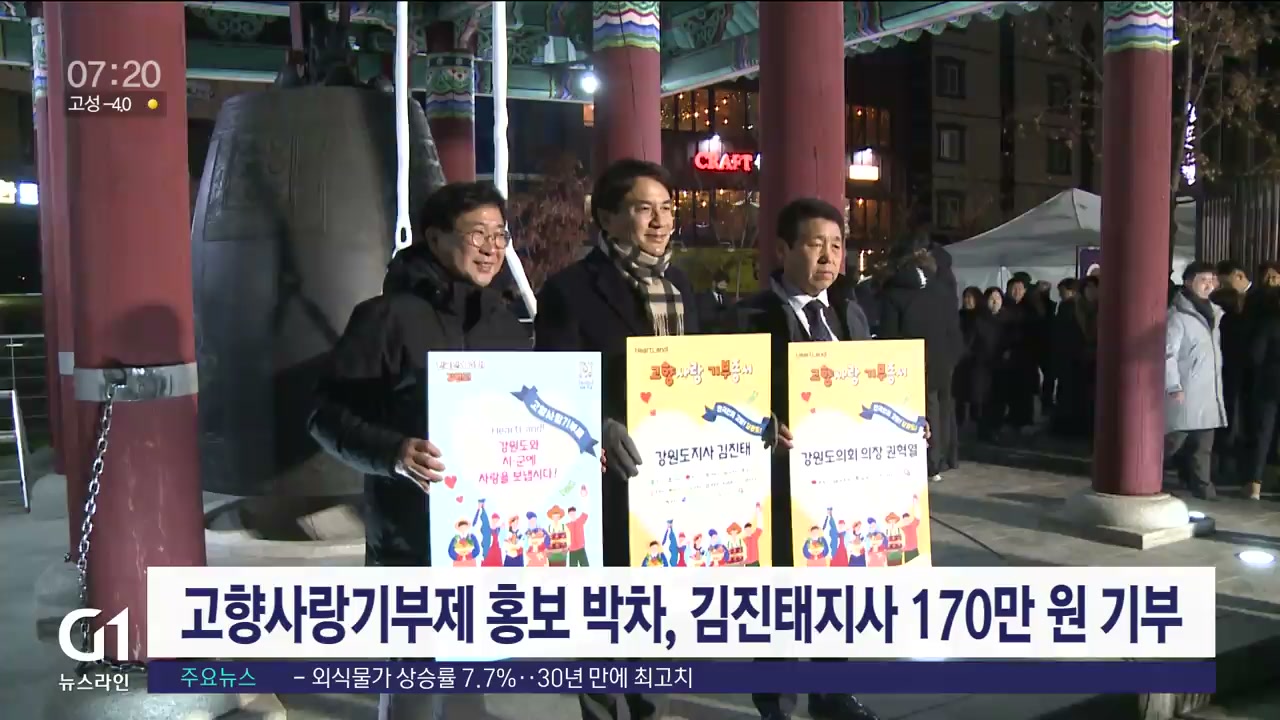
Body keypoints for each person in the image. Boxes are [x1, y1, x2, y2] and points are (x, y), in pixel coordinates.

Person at [307, 181, 530, 720]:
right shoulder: (385, 317)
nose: (492, 248)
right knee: (414, 680)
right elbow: (324, 416)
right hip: (411, 535)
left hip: (488, 536)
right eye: (477, 234)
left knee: (474, 671)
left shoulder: (504, 321)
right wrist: (393, 452)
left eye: (500, 235)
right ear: (434, 238)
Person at [534, 158, 697, 720]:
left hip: (670, 481)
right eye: (644, 208)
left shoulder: (682, 287)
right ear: (606, 217)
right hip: (603, 483)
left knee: (657, 617)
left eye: (667, 208)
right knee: (601, 618)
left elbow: (704, 373)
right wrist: (601, 424)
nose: (660, 221)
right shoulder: (570, 290)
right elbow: (555, 381)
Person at [733, 197, 880, 720]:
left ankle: (832, 692)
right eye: (816, 244)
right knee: (778, 600)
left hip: (840, 485)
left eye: (837, 245)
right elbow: (725, 399)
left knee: (834, 589)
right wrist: (761, 423)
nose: (828, 257)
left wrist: (907, 425)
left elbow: (870, 389)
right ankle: (776, 704)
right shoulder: (747, 318)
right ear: (782, 250)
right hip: (776, 485)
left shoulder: (850, 313)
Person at [878, 246, 963, 481]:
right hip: (943, 359)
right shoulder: (942, 289)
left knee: (918, 411)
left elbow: (889, 335)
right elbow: (953, 327)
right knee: (942, 408)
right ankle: (942, 458)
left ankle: (927, 462)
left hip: (910, 364)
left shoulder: (894, 292)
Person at [1165, 262, 1228, 501]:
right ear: (1188, 282)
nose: (1209, 284)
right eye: (1203, 280)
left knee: (1203, 445)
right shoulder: (1178, 316)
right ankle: (1145, 476)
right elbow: (1167, 353)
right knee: (1174, 441)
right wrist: (1173, 385)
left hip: (1208, 390)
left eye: (1212, 280)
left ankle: (1203, 488)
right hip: (1186, 389)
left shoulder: (1214, 313)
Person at [1246, 287, 1280, 500]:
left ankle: (1255, 485)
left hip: (1269, 384)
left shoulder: (1270, 324)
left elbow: (1255, 356)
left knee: (1264, 434)